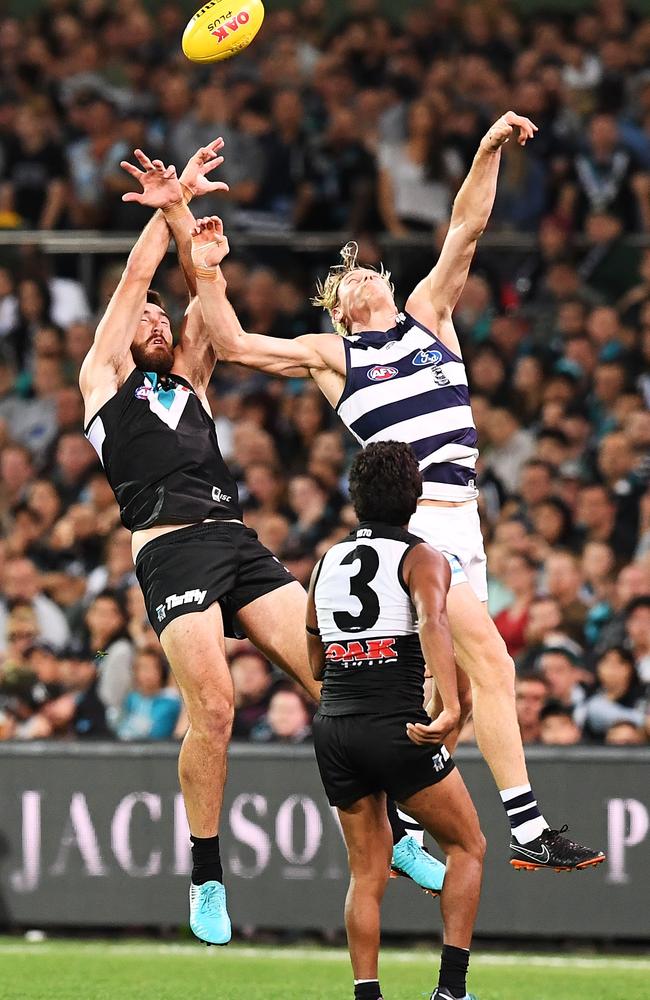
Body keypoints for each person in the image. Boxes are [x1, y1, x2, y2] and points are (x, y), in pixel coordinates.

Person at [186, 111, 605, 871]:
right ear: (342, 307)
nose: (364, 270)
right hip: (419, 538)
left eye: (365, 266)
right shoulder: (333, 353)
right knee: (495, 667)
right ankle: (529, 829)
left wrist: (483, 151)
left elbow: (466, 230)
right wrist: (207, 267)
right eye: (348, 277)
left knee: (467, 698)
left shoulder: (428, 316)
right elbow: (237, 344)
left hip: (467, 524)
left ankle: (410, 826)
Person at [79, 140, 321, 947]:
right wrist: (161, 214)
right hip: (171, 551)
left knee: (338, 676)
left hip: (237, 540)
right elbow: (136, 285)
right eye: (144, 319)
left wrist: (185, 212)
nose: (153, 321)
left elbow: (202, 297)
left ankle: (400, 824)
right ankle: (208, 874)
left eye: (159, 319)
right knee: (213, 707)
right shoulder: (104, 380)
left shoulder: (190, 380)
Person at [307, 442, 484, 1000]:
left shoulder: (326, 560)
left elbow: (314, 658)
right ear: (415, 496)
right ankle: (450, 990)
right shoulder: (422, 555)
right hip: (395, 726)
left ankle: (367, 994)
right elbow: (433, 619)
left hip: (335, 728)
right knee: (468, 846)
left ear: (355, 498)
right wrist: (451, 703)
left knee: (367, 873)